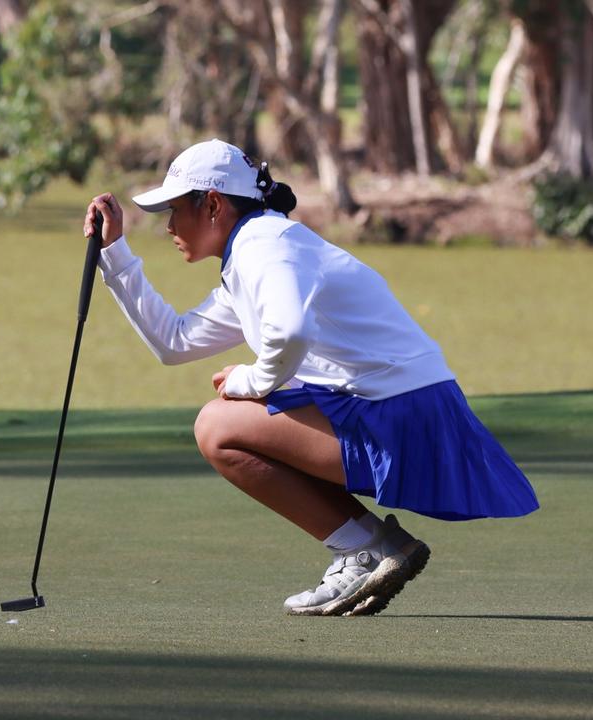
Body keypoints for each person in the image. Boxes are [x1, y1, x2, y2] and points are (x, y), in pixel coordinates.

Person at [83, 138, 538, 617]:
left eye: (175, 210)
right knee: (223, 421)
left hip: (406, 419)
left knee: (218, 426)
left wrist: (250, 381)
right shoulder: (254, 253)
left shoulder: (265, 245)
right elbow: (174, 342)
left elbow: (291, 331)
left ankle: (365, 548)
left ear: (213, 204)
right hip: (399, 410)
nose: (171, 226)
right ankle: (369, 547)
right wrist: (114, 252)